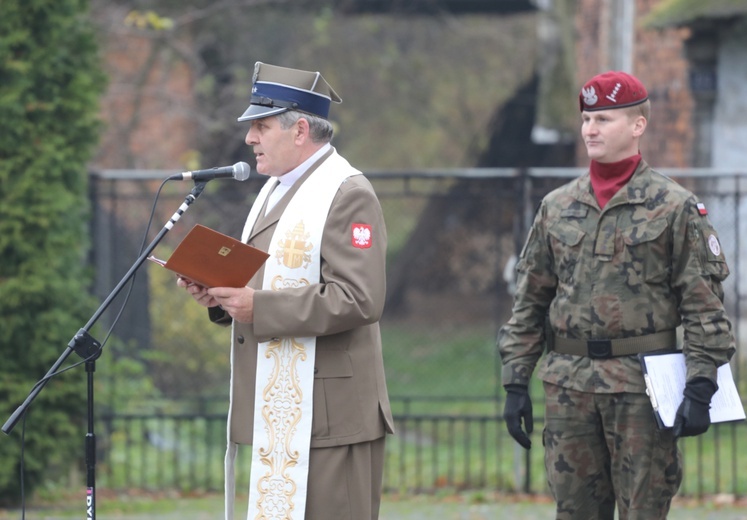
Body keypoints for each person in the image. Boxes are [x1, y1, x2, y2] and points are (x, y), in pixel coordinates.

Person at [498, 70, 735, 519]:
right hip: (569, 387)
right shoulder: (557, 206)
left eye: (604, 119)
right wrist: (516, 380)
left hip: (641, 388)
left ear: (638, 125)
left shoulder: (674, 206)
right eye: (587, 119)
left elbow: (703, 305)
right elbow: (530, 302)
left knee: (643, 511)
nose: (590, 129)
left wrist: (702, 385)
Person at [178, 61, 394, 520]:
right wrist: (220, 298)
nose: (249, 139)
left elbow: (361, 297)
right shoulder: (275, 190)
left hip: (332, 417)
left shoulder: (347, 192)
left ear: (299, 130)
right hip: (284, 413)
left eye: (260, 126)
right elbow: (263, 283)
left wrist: (260, 307)